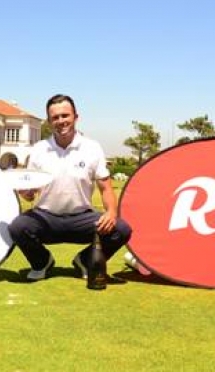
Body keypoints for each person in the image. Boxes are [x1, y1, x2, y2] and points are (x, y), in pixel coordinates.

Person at [7, 94, 132, 281]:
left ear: (75, 117)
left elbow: (106, 187)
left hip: (82, 219)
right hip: (45, 219)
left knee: (121, 229)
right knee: (18, 227)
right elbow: (30, 194)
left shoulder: (92, 147)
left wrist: (111, 213)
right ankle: (43, 262)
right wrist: (26, 192)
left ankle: (85, 261)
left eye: (65, 115)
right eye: (55, 117)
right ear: (49, 122)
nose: (61, 121)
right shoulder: (39, 149)